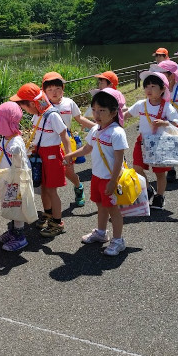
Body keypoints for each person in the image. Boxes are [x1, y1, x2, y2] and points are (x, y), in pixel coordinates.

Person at [63, 88, 129, 256]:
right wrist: (71, 155)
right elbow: (87, 148)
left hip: (110, 178)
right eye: (94, 110)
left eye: (102, 110)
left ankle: (118, 240)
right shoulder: (96, 129)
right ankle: (101, 232)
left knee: (113, 210)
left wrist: (113, 181)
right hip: (97, 177)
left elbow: (119, 159)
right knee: (101, 205)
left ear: (114, 112)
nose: (96, 114)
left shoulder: (117, 132)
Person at [10, 83, 72, 237]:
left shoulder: (52, 115)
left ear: (32, 103)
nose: (24, 110)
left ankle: (58, 223)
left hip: (52, 155)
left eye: (24, 107)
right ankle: (48, 213)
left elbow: (64, 134)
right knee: (43, 187)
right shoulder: (37, 114)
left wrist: (69, 155)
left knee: (52, 190)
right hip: (40, 153)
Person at [123, 72, 178, 210]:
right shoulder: (141, 104)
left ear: (162, 89)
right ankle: (148, 189)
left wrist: (164, 122)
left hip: (159, 143)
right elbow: (126, 115)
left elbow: (176, 123)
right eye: (146, 86)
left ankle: (160, 196)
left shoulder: (166, 107)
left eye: (153, 86)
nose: (149, 89)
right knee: (137, 168)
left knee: (159, 173)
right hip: (142, 141)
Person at [41, 71, 95, 207]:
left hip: (66, 142)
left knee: (68, 171)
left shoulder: (69, 103)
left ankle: (78, 186)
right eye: (50, 89)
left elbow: (79, 118)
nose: (54, 92)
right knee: (51, 175)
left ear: (63, 89)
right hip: (49, 144)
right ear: (44, 91)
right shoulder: (42, 107)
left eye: (57, 89)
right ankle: (53, 205)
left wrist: (98, 127)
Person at [0, 102, 32, 252]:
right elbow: (0, 155)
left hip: (16, 180)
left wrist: (3, 179)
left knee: (17, 208)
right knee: (11, 205)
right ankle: (13, 232)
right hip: (7, 180)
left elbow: (18, 167)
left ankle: (20, 236)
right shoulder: (5, 138)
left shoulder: (16, 142)